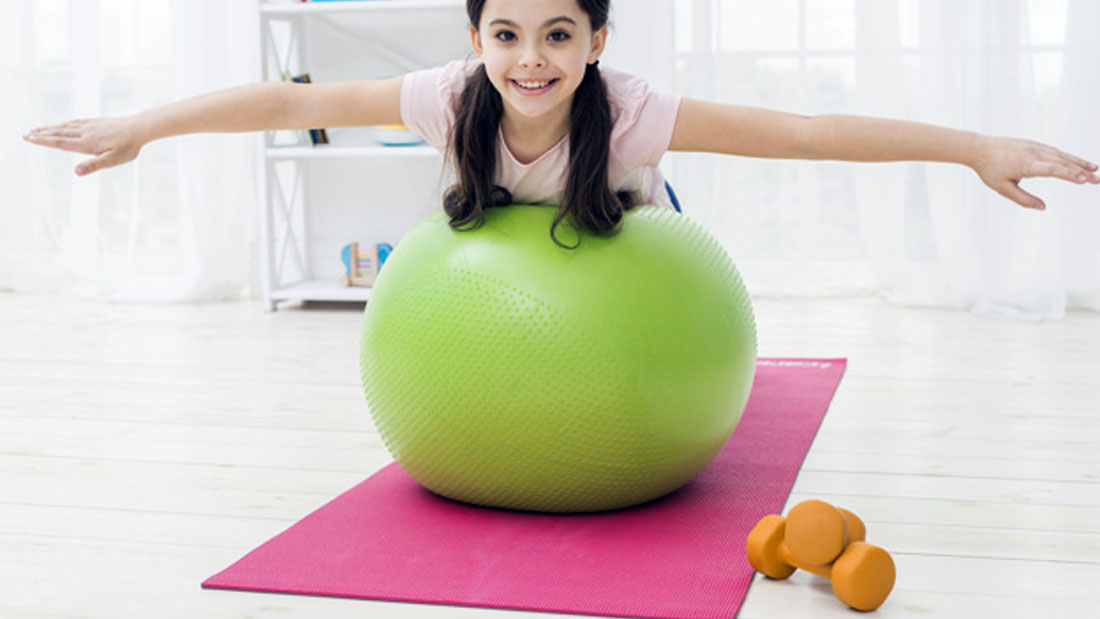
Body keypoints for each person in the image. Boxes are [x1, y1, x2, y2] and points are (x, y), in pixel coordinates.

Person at [23, 0, 1099, 247]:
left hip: (620, 235)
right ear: (476, 39)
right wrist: (143, 125)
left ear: (595, 41)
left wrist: (974, 147)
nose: (526, 59)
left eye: (554, 34)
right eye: (503, 33)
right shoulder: (446, 96)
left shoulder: (631, 116)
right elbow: (292, 102)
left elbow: (810, 132)